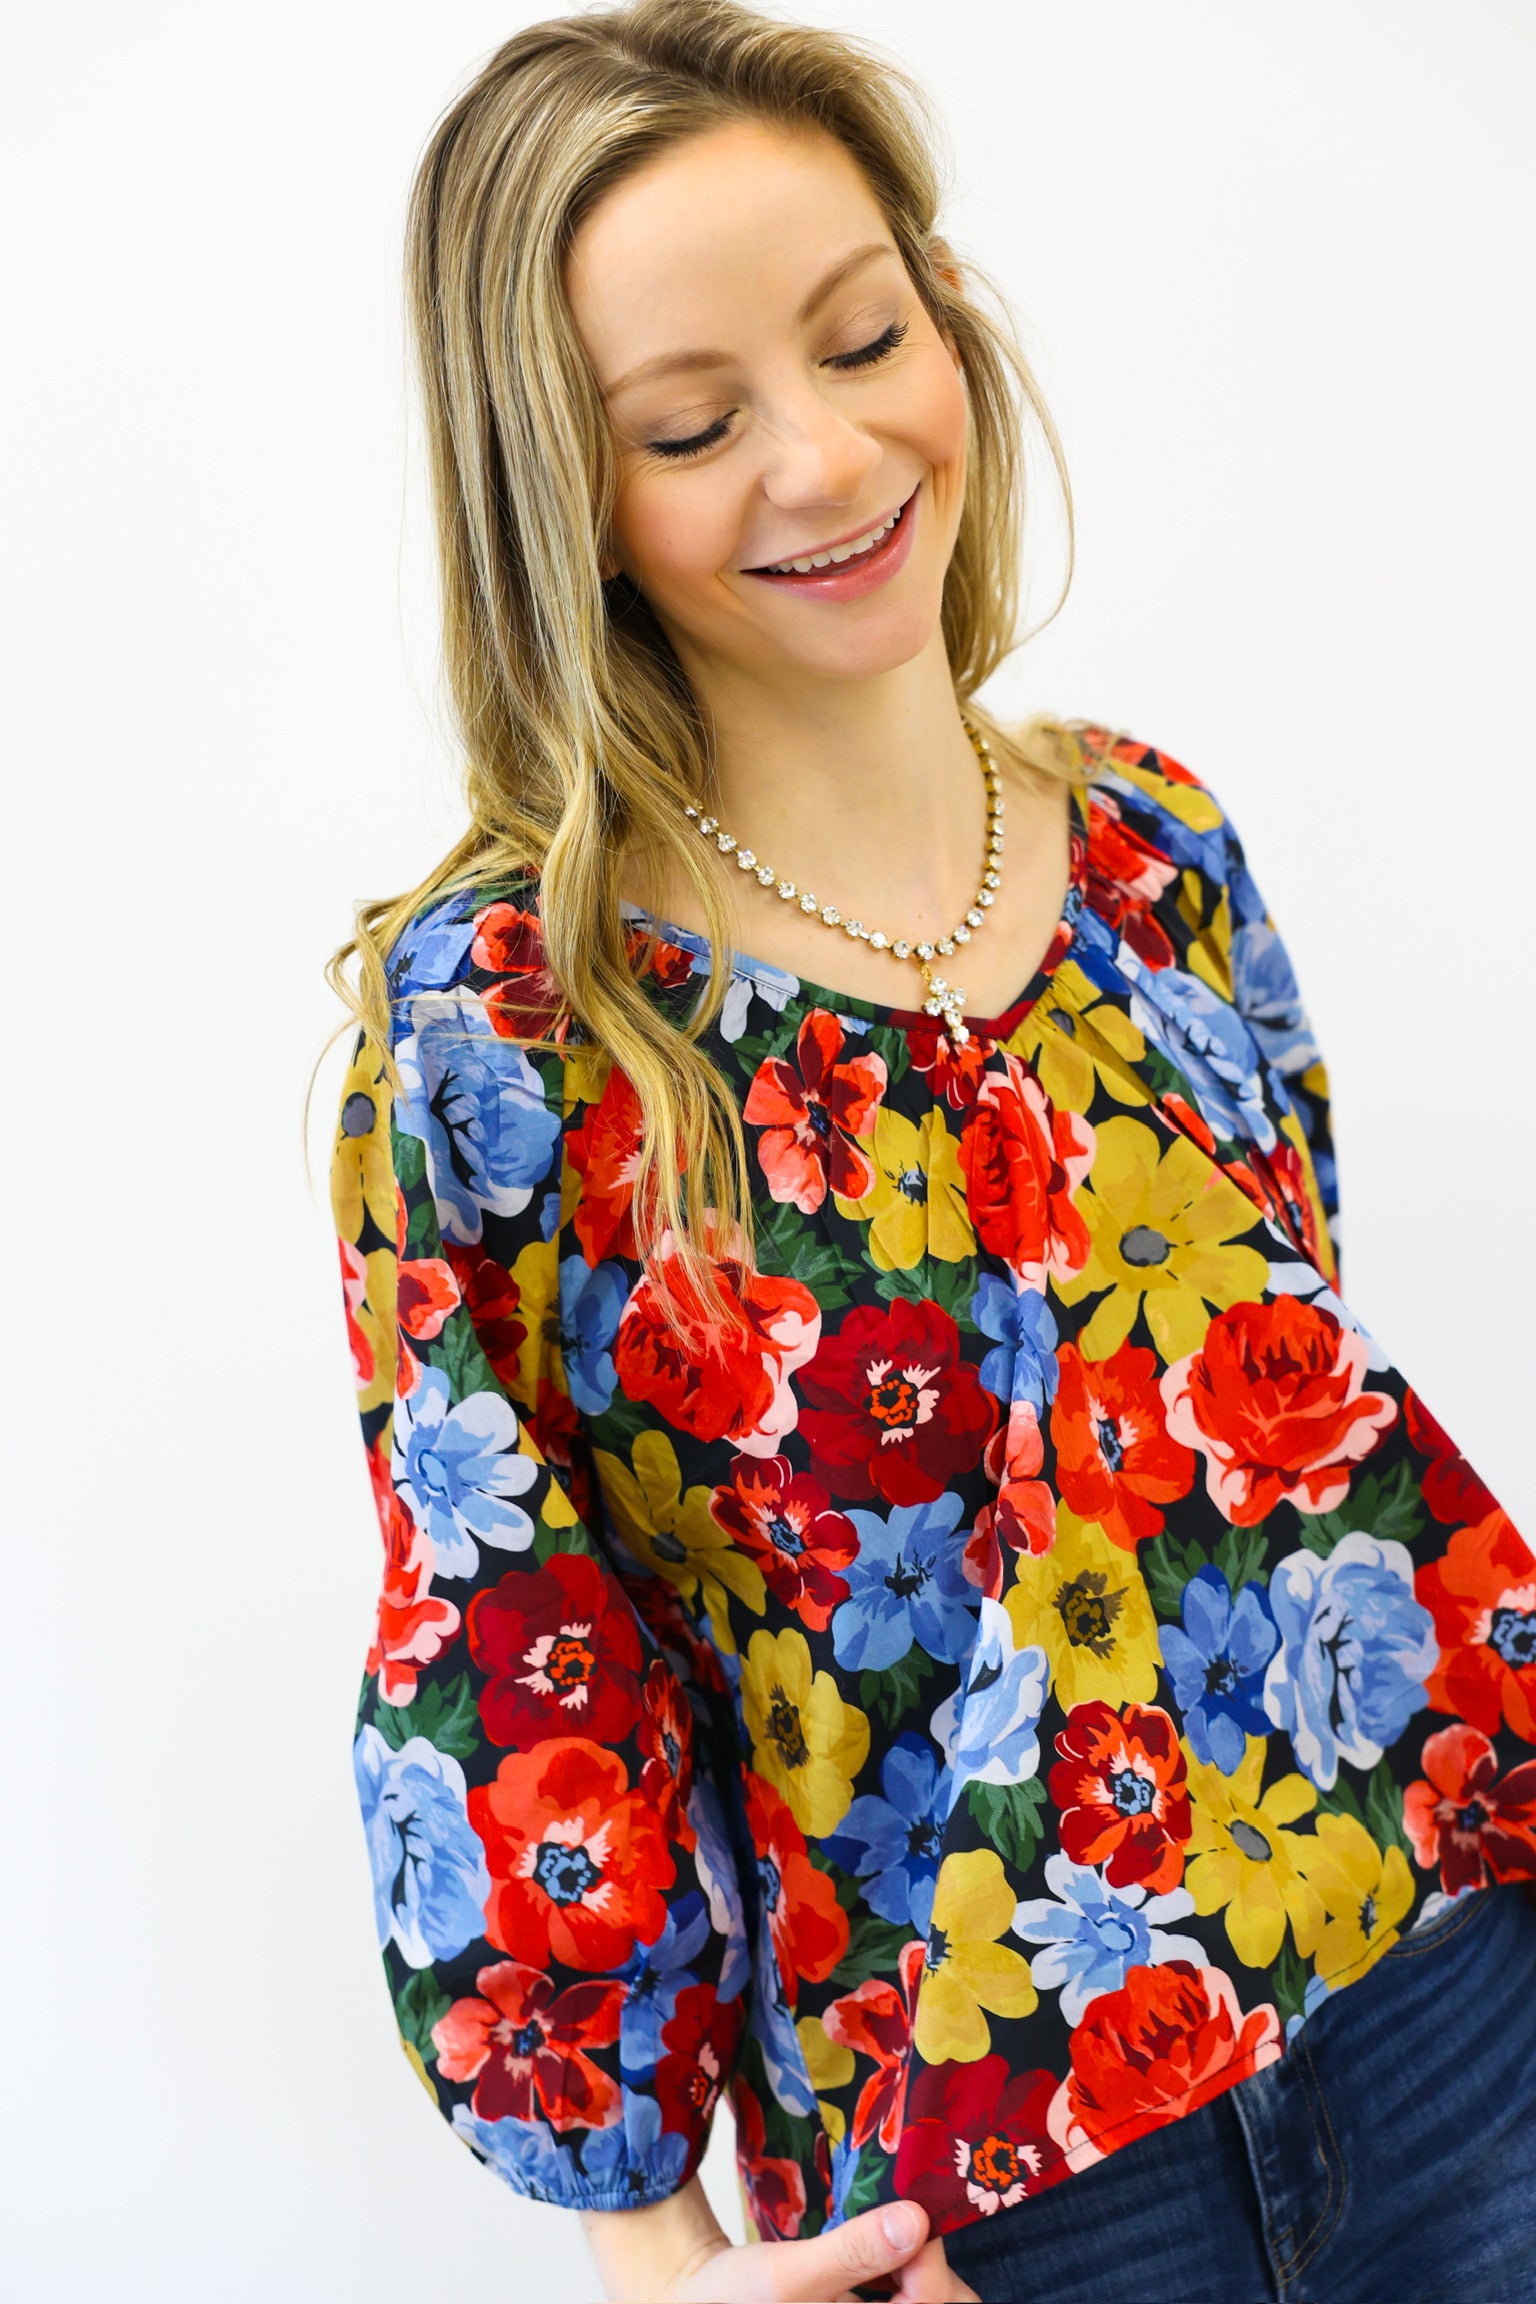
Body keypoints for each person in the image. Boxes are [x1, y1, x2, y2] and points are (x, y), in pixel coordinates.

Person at [327, 4, 1536, 2297]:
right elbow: (504, 1662)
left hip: (1452, 2020)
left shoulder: (1154, 846)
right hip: (1002, 2201)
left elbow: (1288, 1448)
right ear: (560, 494)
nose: (823, 456)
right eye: (690, 425)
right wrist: (655, 2259)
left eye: (865, 334)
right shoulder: (510, 1023)